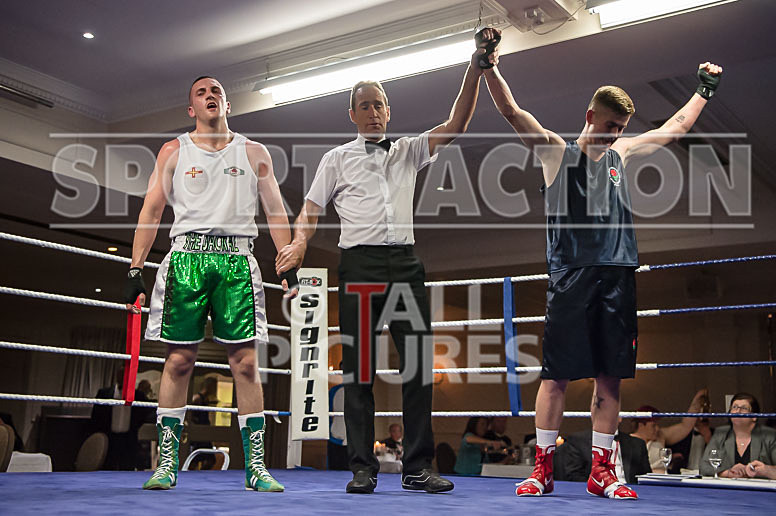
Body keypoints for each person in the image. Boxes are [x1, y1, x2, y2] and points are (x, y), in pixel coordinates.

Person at [482, 31, 723, 499]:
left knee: (609, 376)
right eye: (610, 125)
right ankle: (542, 468)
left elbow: (674, 128)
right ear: (591, 115)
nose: (615, 134)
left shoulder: (622, 154)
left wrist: (704, 91)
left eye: (621, 127)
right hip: (571, 277)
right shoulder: (556, 151)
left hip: (617, 276)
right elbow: (513, 113)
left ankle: (602, 470)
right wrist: (489, 65)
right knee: (555, 377)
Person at [275, 30, 500, 494]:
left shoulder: (408, 150)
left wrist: (475, 65)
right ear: (352, 115)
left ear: (388, 111)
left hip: (405, 264)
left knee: (419, 366)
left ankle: (417, 468)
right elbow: (312, 209)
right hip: (359, 265)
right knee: (358, 371)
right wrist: (299, 244)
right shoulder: (336, 159)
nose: (374, 112)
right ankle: (362, 467)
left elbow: (456, 121)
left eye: (380, 104)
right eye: (365, 105)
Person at [123, 76, 298, 492]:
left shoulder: (254, 152)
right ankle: (166, 465)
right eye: (201, 93)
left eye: (216, 91)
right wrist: (134, 268)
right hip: (186, 259)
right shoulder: (173, 150)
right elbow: (151, 210)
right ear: (191, 109)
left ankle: (256, 468)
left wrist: (288, 264)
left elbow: (275, 211)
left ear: (227, 104)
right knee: (179, 361)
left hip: (236, 259)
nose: (210, 96)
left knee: (247, 364)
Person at [699, 393, 776, 478]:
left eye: (744, 408)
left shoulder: (770, 436)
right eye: (734, 407)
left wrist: (753, 471)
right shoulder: (720, 433)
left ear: (754, 417)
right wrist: (728, 473)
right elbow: (704, 467)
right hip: (728, 489)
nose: (737, 411)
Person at [630, 389, 709, 473]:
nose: (657, 428)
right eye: (653, 425)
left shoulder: (660, 435)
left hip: (662, 479)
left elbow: (685, 426)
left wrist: (696, 402)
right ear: (641, 425)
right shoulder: (629, 441)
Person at [554, 427, 651, 485]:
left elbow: (646, 477)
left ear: (620, 417)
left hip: (630, 490)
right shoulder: (578, 440)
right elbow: (573, 475)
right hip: (594, 491)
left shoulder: (637, 444)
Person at [189, 376, 218, 470]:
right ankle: (190, 475)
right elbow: (190, 416)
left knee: (210, 459)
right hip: (199, 433)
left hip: (204, 432)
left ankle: (201, 474)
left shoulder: (205, 399)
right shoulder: (197, 398)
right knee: (195, 458)